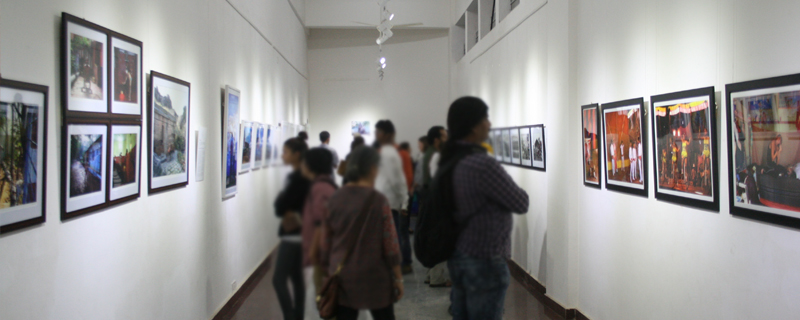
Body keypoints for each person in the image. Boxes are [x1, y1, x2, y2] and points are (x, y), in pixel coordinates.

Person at [443, 97, 529, 320]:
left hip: (457, 254)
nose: (489, 125)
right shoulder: (482, 164)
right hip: (484, 258)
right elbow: (520, 202)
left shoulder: (449, 160)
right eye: (485, 118)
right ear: (473, 125)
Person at [320, 146, 404, 320]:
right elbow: (390, 244)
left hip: (344, 276)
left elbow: (326, 242)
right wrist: (398, 278)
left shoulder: (335, 198)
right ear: (373, 168)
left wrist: (327, 273)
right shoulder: (379, 200)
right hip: (376, 276)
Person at [272, 138, 310, 320]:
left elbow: (282, 205)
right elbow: (281, 206)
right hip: (297, 235)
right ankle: (299, 315)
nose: (282, 155)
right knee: (296, 279)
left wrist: (282, 202)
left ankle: (291, 316)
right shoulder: (298, 177)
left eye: (285, 151)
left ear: (296, 154)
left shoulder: (299, 179)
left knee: (279, 279)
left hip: (294, 236)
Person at [373, 120, 411, 276]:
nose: (376, 135)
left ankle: (394, 268)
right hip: (386, 202)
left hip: (387, 203)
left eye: (378, 132)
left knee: (391, 238)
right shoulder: (385, 153)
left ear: (387, 134)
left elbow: (398, 181)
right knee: (390, 238)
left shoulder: (389, 154)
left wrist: (404, 202)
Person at [300, 148, 337, 294]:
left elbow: (321, 224)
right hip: (325, 255)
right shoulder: (325, 185)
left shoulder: (320, 188)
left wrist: (314, 252)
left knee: (324, 299)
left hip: (323, 256)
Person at [422, 125, 451, 287]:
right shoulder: (436, 156)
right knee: (439, 241)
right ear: (436, 139)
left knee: (433, 239)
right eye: (444, 136)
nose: (447, 139)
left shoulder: (430, 153)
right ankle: (436, 277)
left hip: (430, 202)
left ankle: (430, 274)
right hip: (437, 204)